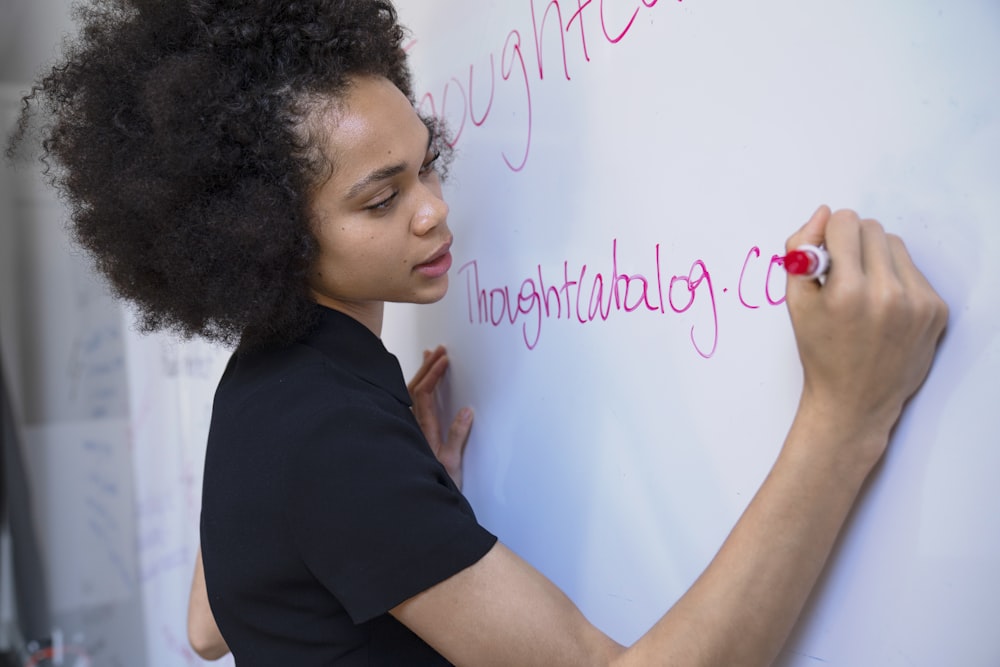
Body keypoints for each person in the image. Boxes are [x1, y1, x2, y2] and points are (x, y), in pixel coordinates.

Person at [10, 1, 948, 665]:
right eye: (382, 197)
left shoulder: (266, 381)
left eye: (424, 165)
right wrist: (845, 412)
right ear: (262, 234)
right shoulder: (326, 429)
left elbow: (209, 625)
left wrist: (388, 529)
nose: (434, 211)